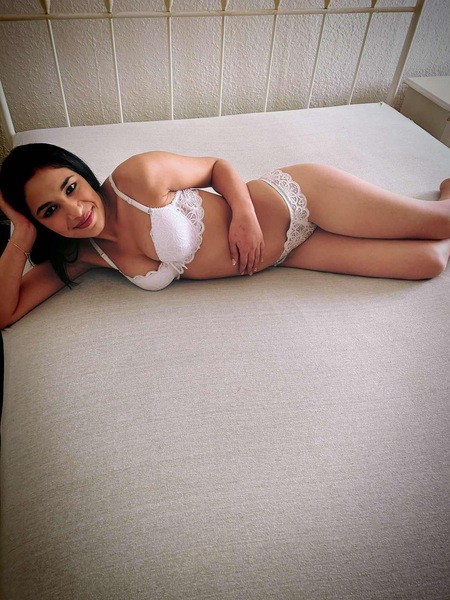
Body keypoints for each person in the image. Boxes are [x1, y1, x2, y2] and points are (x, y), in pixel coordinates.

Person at [0, 143, 449, 329]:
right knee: (428, 263)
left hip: (295, 199)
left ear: (81, 173)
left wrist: (245, 217)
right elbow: (6, 312)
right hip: (288, 255)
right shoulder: (84, 255)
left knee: (442, 223)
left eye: (70, 188)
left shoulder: (135, 177)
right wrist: (19, 236)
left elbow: (217, 167)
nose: (75, 211)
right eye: (49, 211)